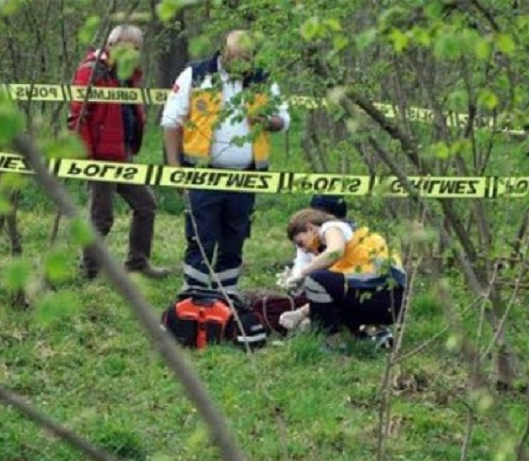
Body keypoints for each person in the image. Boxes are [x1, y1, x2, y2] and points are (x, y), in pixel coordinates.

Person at [161, 30, 291, 296]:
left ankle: (227, 295)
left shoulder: (263, 79)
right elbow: (171, 122)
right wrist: (175, 171)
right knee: (201, 238)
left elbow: (284, 120)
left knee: (235, 239)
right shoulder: (196, 75)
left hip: (246, 177)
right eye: (237, 57)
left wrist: (267, 121)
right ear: (224, 52)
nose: (242, 65)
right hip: (202, 174)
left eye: (247, 58)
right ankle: (194, 295)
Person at [68, 25, 168, 280]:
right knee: (101, 218)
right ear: (111, 45)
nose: (132, 53)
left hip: (123, 152)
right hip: (99, 155)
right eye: (127, 47)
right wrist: (85, 156)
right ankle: (90, 270)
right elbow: (77, 115)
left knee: (145, 205)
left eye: (137, 49)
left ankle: (137, 262)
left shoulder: (128, 74)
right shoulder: (92, 71)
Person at [278, 208, 406, 348]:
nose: (303, 250)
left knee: (315, 279)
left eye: (301, 243)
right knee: (324, 298)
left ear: (310, 228)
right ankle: (374, 333)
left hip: (382, 293)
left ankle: (333, 342)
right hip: (390, 300)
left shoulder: (332, 227)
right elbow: (333, 293)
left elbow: (335, 252)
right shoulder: (349, 251)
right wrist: (299, 313)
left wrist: (303, 273)